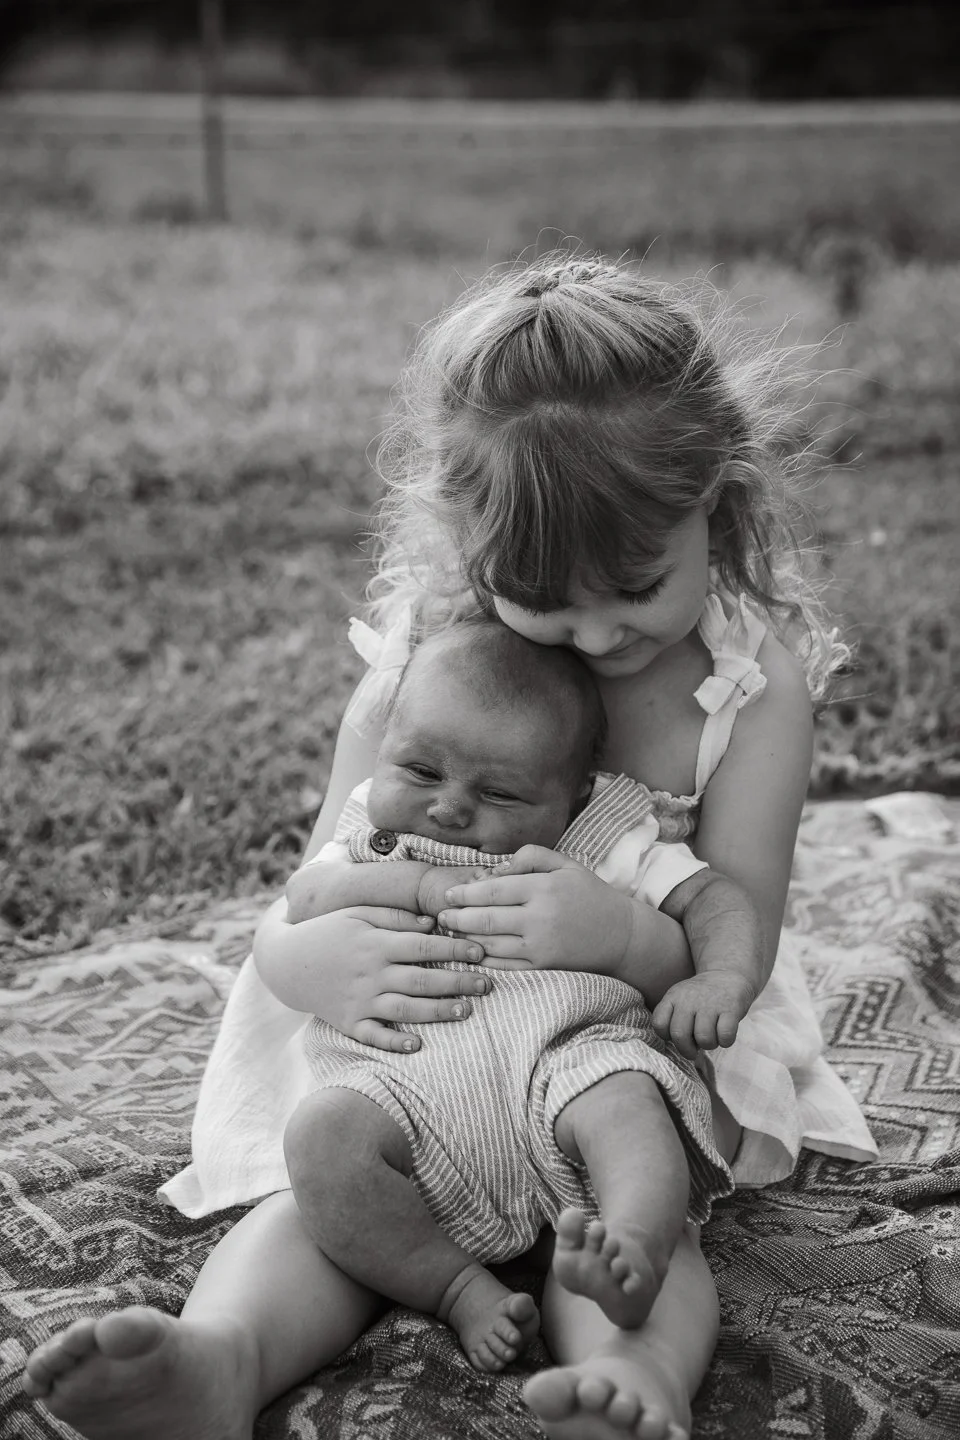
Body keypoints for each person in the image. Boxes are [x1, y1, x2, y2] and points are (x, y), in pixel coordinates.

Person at [22, 252, 878, 1440]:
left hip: (609, 1045)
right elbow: (316, 877)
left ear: (720, 502)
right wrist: (300, 961)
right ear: (468, 538)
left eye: (634, 585)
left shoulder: (745, 687)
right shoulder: (429, 662)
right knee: (325, 1194)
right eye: (541, 595)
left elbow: (731, 937)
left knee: (642, 1212)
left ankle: (632, 1381)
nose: (592, 632)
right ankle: (222, 1361)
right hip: (413, 1053)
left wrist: (626, 935)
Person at [281, 617, 763, 1374]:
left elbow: (713, 898)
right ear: (384, 753)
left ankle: (632, 1247)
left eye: (500, 791)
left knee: (627, 1101)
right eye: (419, 771)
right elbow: (303, 902)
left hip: (567, 1065)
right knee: (320, 1138)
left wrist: (722, 978)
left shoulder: (605, 833)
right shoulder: (371, 838)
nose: (449, 809)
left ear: (574, 794)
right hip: (408, 1095)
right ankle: (458, 1288)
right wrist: (418, 883)